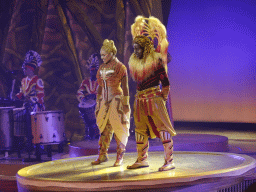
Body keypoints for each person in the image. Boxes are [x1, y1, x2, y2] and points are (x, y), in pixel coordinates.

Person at [127, 16, 177, 171]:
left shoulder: (156, 62)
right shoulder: (136, 63)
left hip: (154, 100)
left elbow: (166, 82)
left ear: (146, 48)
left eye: (138, 48)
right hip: (139, 101)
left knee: (163, 129)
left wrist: (163, 96)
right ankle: (142, 159)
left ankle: (169, 161)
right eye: (134, 48)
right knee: (140, 130)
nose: (135, 51)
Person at [91, 39, 130, 166]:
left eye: (104, 55)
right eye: (101, 55)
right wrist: (98, 99)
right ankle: (102, 155)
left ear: (112, 53)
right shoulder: (102, 67)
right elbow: (101, 86)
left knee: (118, 128)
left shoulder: (120, 67)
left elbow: (125, 86)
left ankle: (120, 156)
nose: (102, 57)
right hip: (104, 101)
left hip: (116, 99)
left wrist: (126, 103)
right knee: (104, 128)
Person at [77, 53, 100, 140]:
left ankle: (98, 134)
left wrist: (95, 96)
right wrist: (84, 98)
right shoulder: (85, 81)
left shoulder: (101, 81)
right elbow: (79, 92)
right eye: (91, 70)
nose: (92, 72)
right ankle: (90, 134)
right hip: (89, 106)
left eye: (94, 71)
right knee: (89, 123)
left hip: (99, 106)